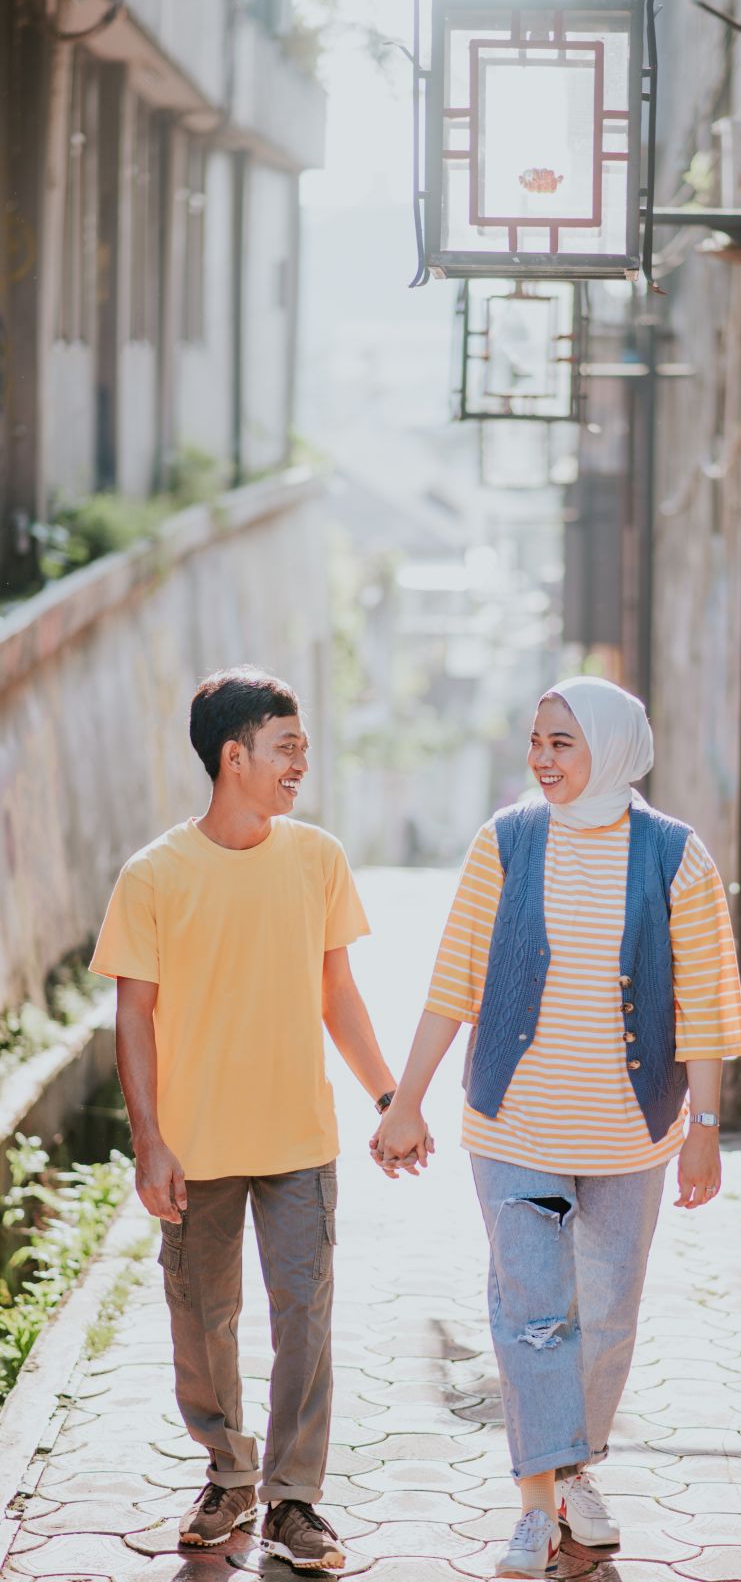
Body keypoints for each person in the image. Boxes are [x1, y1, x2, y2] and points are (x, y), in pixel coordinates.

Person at [372, 675, 741, 1579]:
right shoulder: (506, 842)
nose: (540, 758)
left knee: (608, 1316)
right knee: (533, 1317)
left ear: (611, 748)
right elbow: (454, 980)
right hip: (517, 1129)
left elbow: (705, 1003)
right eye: (536, 741)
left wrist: (705, 1125)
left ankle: (577, 1467)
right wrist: (407, 1100)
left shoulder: (676, 856)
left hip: (631, 1134)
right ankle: (537, 1507)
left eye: (561, 742)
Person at [91, 666, 399, 1573]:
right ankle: (229, 1472)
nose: (301, 763)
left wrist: (391, 1098)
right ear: (235, 757)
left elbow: (337, 993)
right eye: (285, 747)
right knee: (202, 1317)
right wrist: (150, 1141)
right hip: (195, 1145)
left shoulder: (317, 859)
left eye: (302, 746)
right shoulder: (154, 874)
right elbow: (134, 1016)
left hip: (299, 1137)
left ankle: (294, 1498)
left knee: (305, 1314)